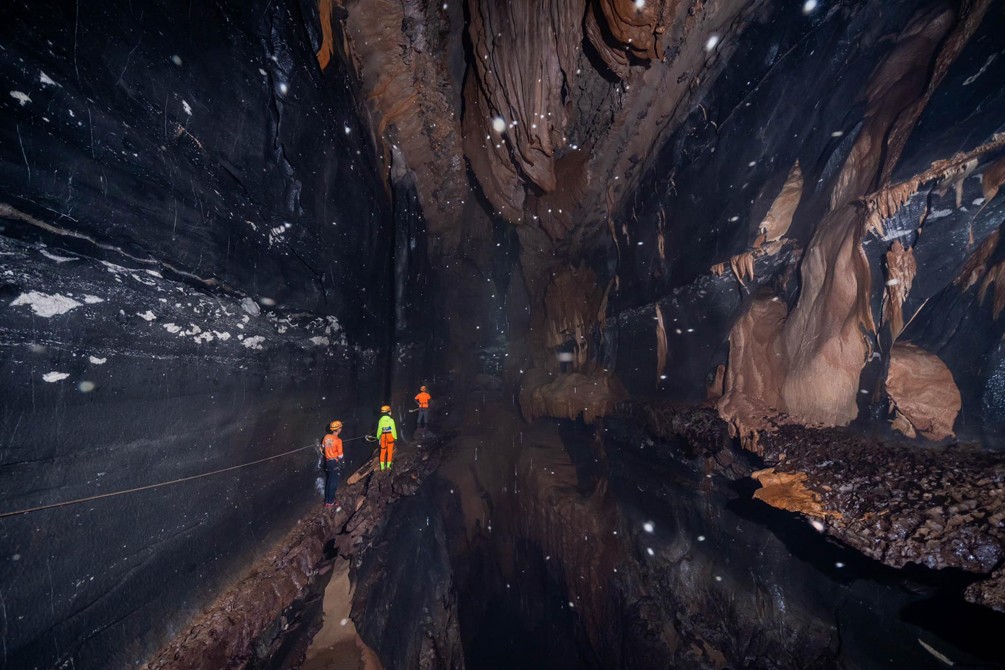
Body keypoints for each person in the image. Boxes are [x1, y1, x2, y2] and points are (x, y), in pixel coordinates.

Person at [321, 420, 344, 507]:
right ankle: (330, 502)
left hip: (328, 462)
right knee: (333, 483)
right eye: (340, 428)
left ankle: (328, 499)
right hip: (334, 462)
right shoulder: (338, 440)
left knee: (329, 481)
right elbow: (340, 455)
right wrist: (342, 462)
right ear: (337, 429)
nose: (341, 429)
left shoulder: (326, 437)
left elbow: (323, 447)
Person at [376, 405, 397, 472]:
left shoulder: (380, 420)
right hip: (390, 436)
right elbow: (393, 430)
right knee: (389, 452)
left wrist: (378, 437)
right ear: (388, 411)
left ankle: (382, 467)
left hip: (383, 436)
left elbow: (379, 430)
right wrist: (395, 437)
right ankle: (388, 466)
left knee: (382, 452)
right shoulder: (391, 420)